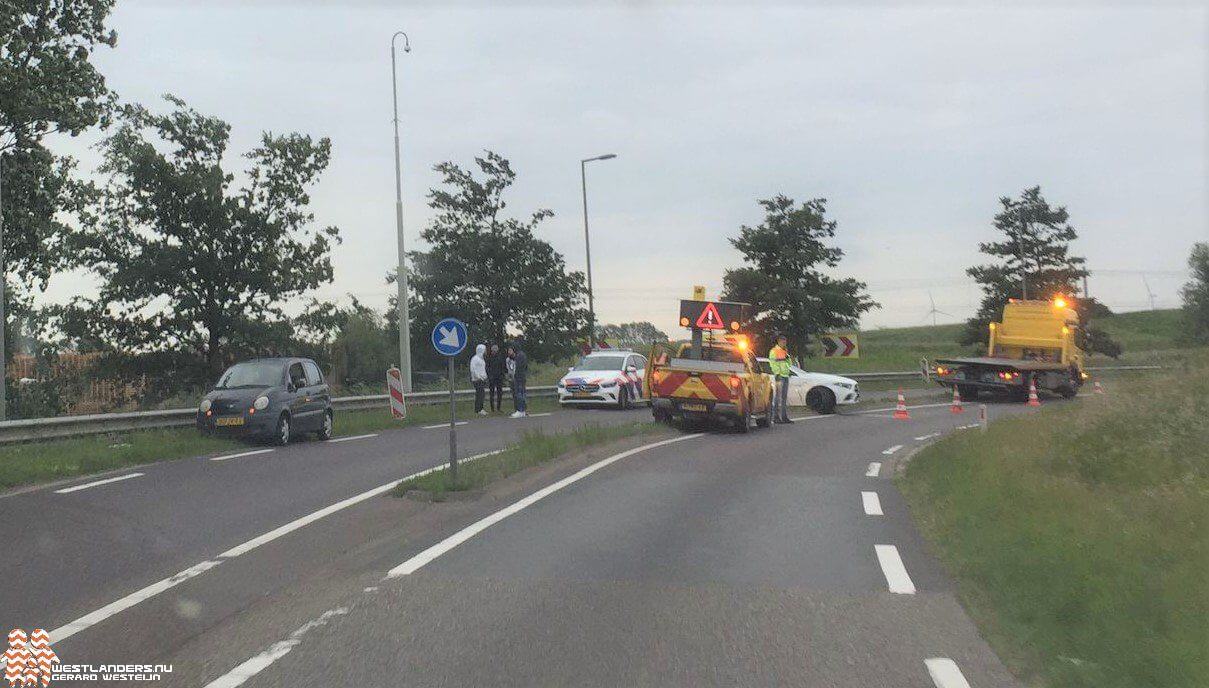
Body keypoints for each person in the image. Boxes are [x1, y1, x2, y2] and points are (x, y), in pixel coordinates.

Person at [768, 333, 794, 424]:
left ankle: (784, 416)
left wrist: (787, 356)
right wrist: (777, 373)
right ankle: (775, 417)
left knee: (784, 398)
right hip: (779, 376)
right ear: (779, 341)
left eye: (785, 341)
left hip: (785, 376)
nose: (785, 343)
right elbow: (773, 364)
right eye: (783, 341)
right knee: (778, 397)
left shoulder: (784, 351)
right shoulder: (773, 351)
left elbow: (789, 363)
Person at [507, 341, 529, 418]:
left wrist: (516, 375)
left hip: (519, 377)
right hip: (522, 377)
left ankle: (520, 410)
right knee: (522, 394)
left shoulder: (519, 356)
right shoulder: (522, 355)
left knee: (519, 394)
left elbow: (518, 367)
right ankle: (522, 410)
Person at [485, 342, 506, 413]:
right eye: (492, 350)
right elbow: (487, 367)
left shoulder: (500, 357)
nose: (493, 352)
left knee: (499, 393)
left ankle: (498, 408)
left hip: (499, 378)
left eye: (495, 350)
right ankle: (492, 409)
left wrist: (502, 376)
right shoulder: (489, 357)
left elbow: (503, 367)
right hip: (492, 378)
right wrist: (490, 376)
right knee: (492, 393)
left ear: (497, 350)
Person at [470, 343, 488, 416]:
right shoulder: (475, 358)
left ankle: (480, 408)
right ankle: (478, 409)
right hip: (477, 380)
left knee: (481, 394)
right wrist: (478, 377)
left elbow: (482, 369)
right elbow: (473, 369)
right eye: (485, 350)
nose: (486, 351)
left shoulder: (482, 359)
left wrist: (485, 376)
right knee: (480, 394)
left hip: (482, 379)